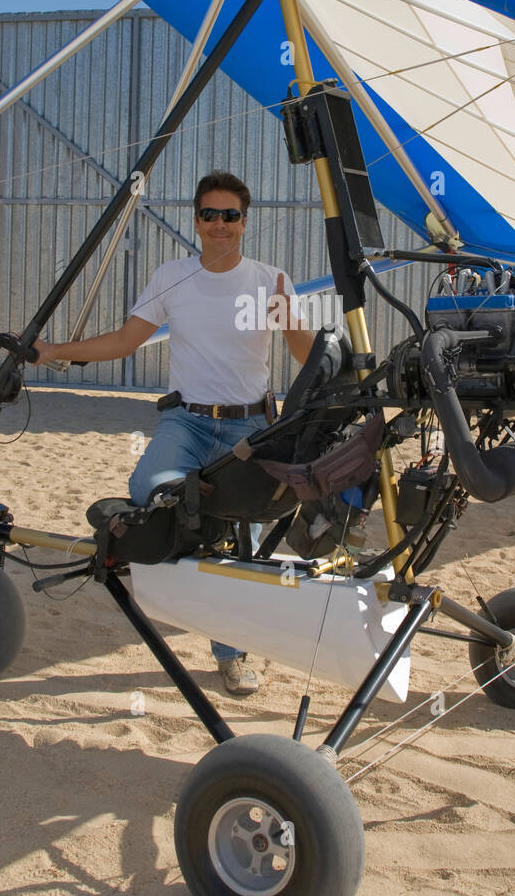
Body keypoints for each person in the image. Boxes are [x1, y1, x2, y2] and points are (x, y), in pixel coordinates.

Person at [33, 171, 314, 695]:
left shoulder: (268, 279)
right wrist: (55, 352)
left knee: (245, 545)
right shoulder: (171, 276)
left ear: (245, 222)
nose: (220, 224)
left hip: (250, 426)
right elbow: (124, 341)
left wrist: (296, 319)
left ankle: (231, 652)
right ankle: (196, 565)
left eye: (230, 215)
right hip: (185, 420)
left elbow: (303, 354)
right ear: (196, 220)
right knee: (148, 493)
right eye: (210, 214)